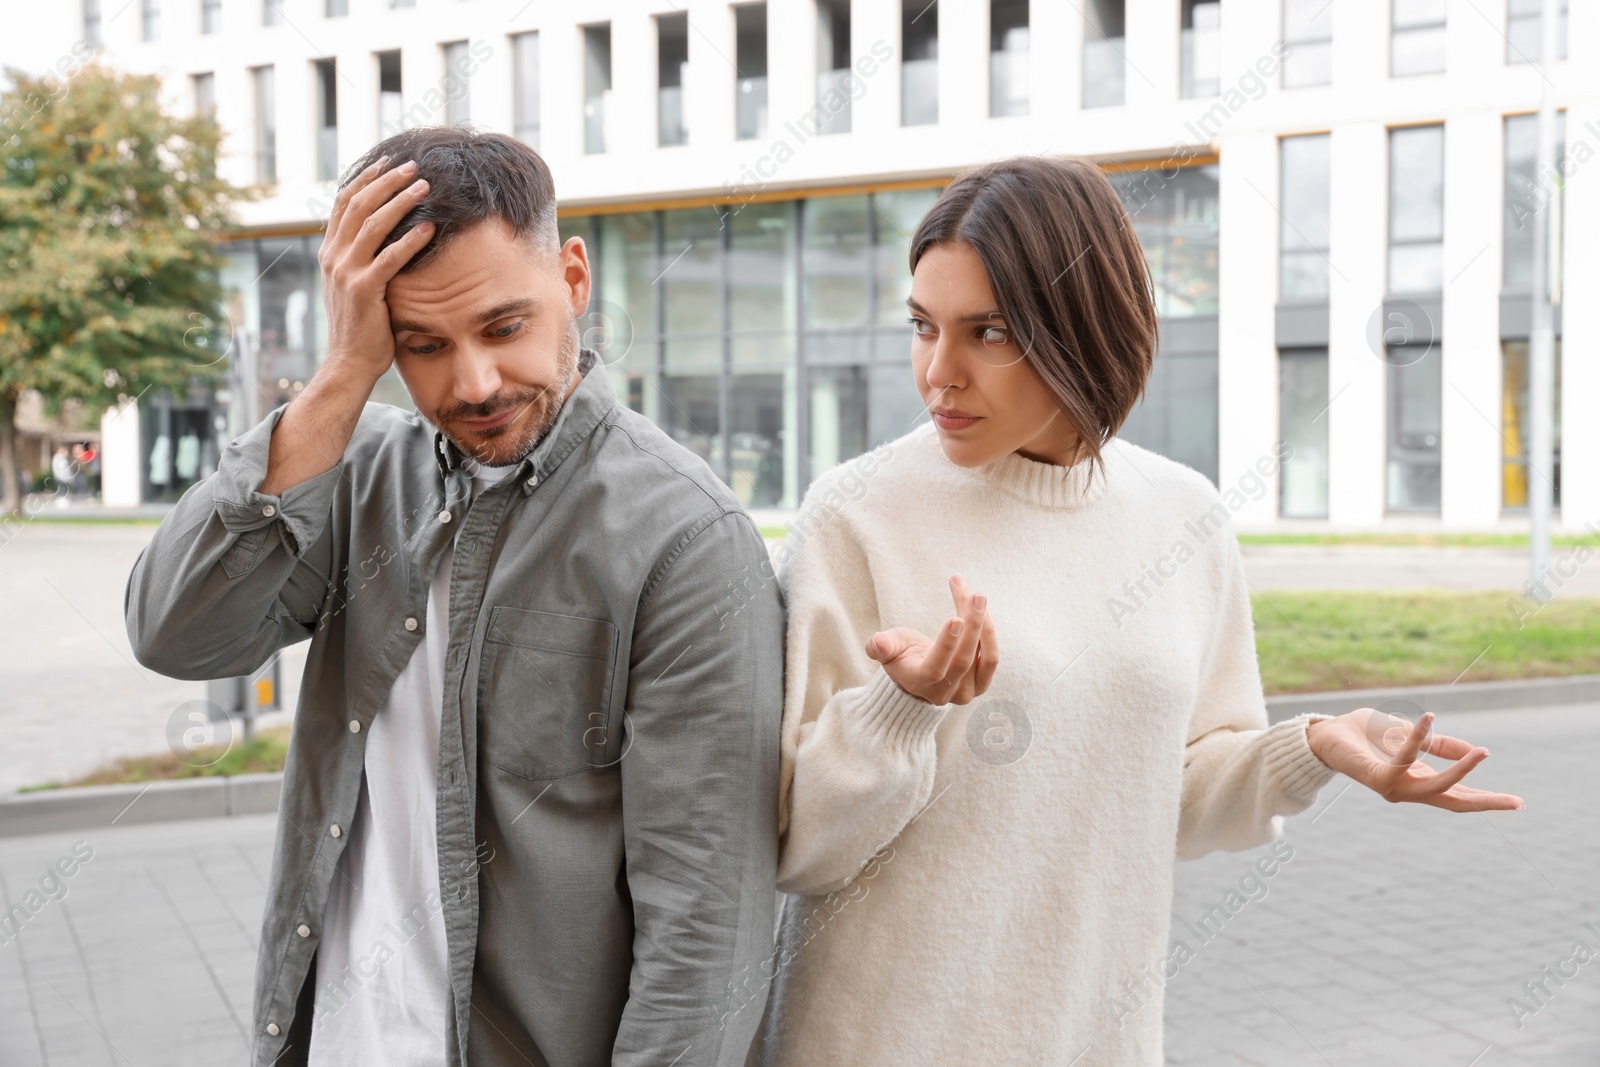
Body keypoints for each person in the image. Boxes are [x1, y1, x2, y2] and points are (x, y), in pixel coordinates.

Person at [748, 156, 1523, 1066]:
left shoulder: (1185, 515)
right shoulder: (858, 512)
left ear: (1083, 326)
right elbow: (799, 843)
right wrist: (901, 708)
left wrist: (1309, 745)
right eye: (923, 326)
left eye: (988, 332)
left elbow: (1175, 800)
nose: (939, 372)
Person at [125, 128, 783, 1067]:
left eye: (504, 326)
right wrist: (343, 377)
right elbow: (174, 631)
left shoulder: (685, 540)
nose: (473, 382)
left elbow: (705, 940)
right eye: (420, 343)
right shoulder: (353, 477)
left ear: (574, 279)